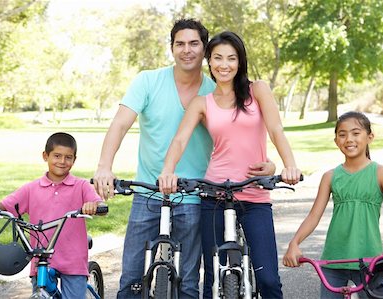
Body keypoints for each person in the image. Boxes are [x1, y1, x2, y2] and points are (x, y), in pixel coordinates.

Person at [92, 19, 276, 299]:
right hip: (147, 190)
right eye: (180, 43)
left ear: (205, 50)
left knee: (190, 282)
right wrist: (104, 167)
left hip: (195, 194)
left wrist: (271, 163)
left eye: (194, 44)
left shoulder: (217, 89)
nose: (186, 50)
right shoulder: (148, 81)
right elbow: (119, 125)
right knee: (131, 278)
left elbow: (243, 130)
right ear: (171, 47)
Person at [158, 31, 302, 299]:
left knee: (268, 280)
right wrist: (168, 171)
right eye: (218, 58)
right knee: (213, 278)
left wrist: (288, 165)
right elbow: (179, 140)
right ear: (209, 62)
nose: (224, 65)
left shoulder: (257, 90)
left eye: (231, 58)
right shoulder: (202, 103)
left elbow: (276, 129)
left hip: (254, 193)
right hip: (214, 194)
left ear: (240, 61)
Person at [282, 111, 383, 298]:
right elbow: (314, 215)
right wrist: (295, 242)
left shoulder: (381, 173)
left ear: (370, 137)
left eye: (356, 133)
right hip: (332, 262)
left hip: (369, 262)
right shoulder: (330, 176)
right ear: (336, 140)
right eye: (342, 134)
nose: (349, 139)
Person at [0, 132, 103, 298]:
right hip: (41, 259)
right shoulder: (31, 188)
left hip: (73, 258)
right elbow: (6, 205)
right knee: (40, 293)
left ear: (74, 160)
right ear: (45, 156)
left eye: (68, 157)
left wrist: (93, 206)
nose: (62, 161)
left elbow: (98, 203)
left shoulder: (81, 186)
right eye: (57, 156)